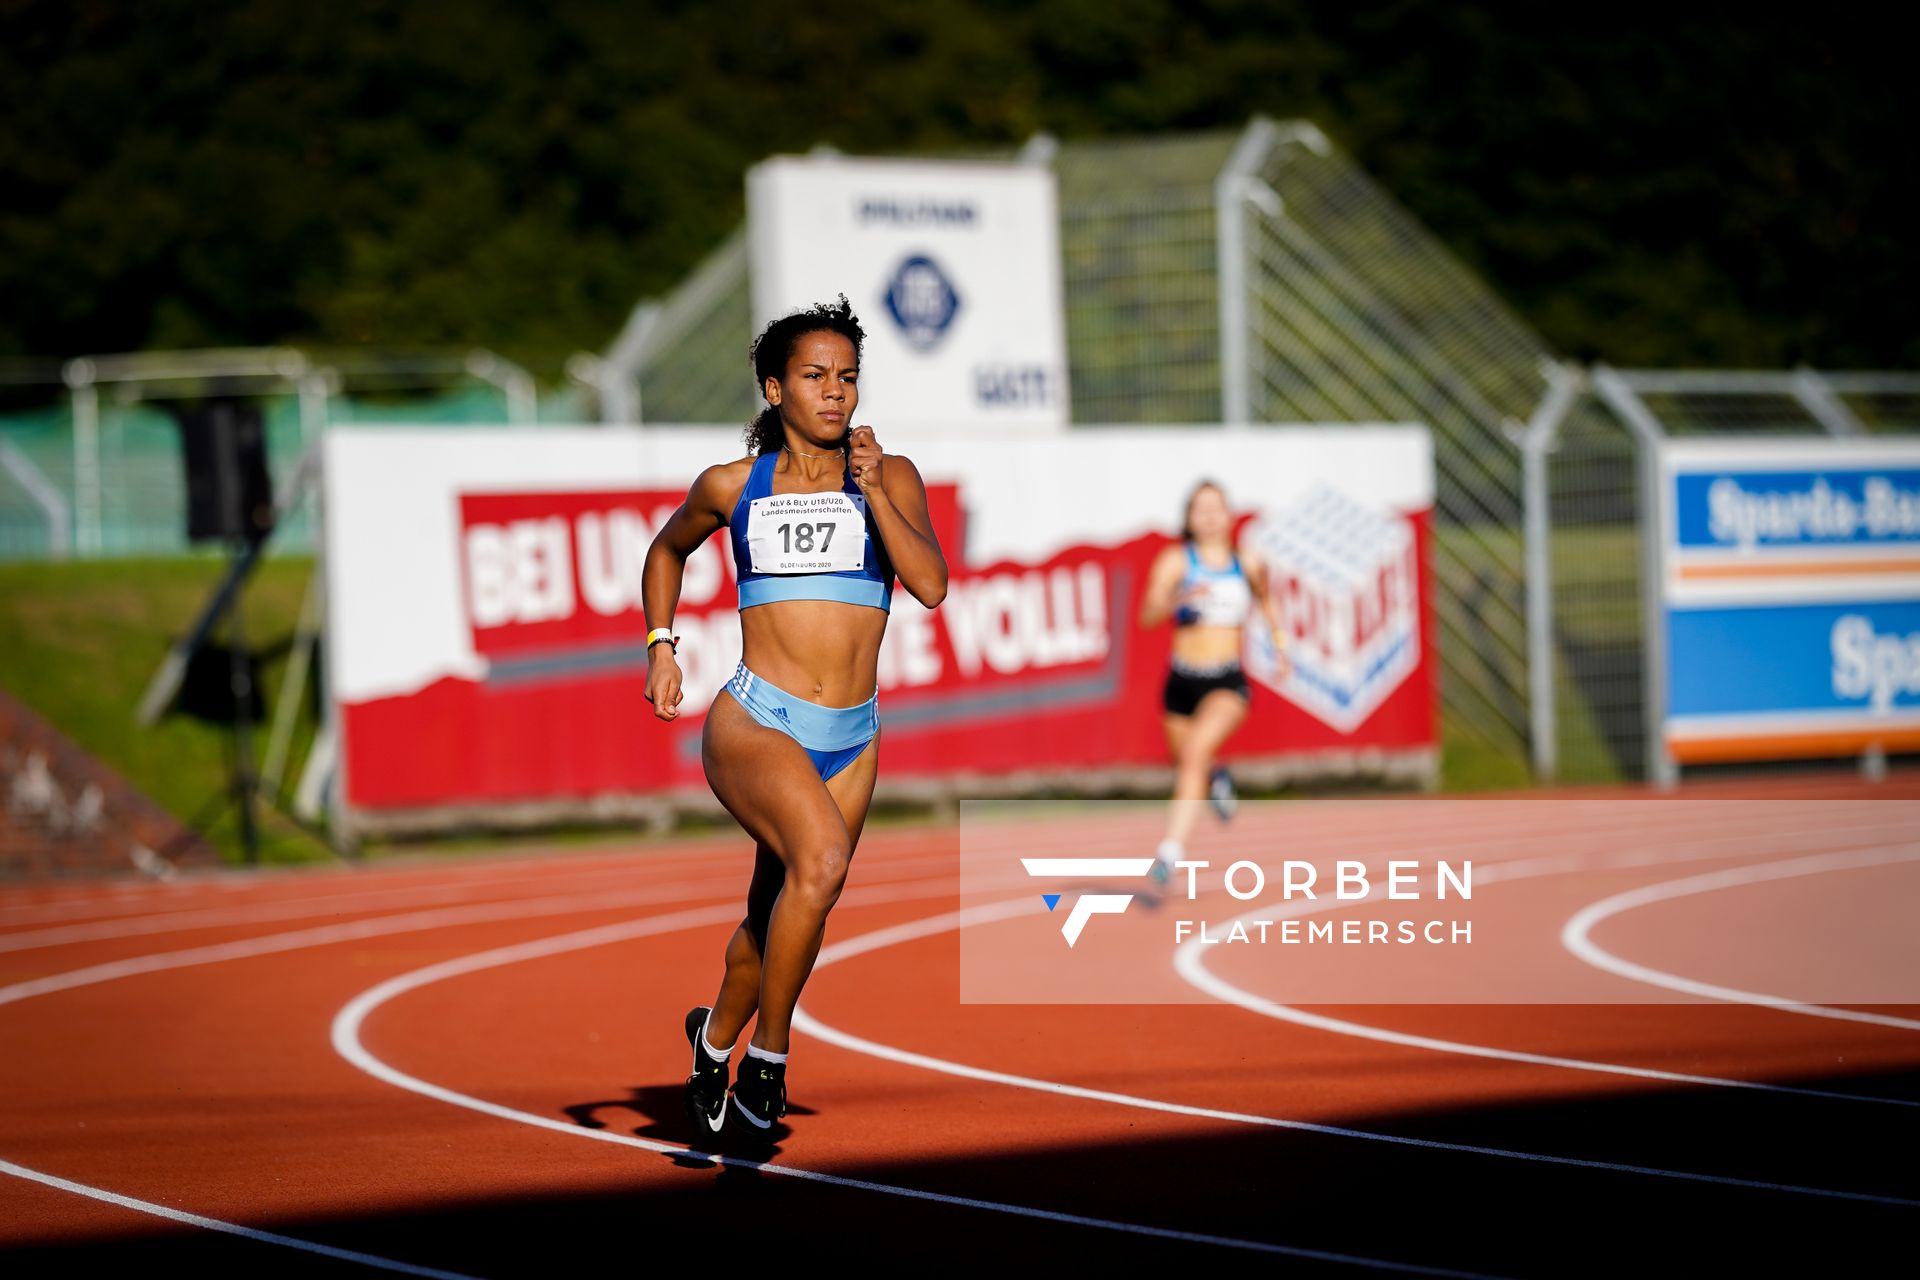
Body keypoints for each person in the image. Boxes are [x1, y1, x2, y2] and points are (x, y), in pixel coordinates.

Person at [641, 296, 947, 1142]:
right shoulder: (733, 486)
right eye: (815, 377)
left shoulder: (894, 476)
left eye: (848, 378)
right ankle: (767, 1063)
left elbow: (930, 584)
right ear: (775, 389)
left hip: (852, 736)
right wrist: (662, 643)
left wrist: (876, 491)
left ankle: (713, 1043)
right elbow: (667, 549)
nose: (835, 393)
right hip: (756, 719)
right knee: (821, 862)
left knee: (773, 915)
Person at [1137, 480, 1287, 887]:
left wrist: (1280, 649)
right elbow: (1147, 617)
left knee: (1194, 755)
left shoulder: (1248, 562)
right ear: (1188, 517)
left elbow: (1269, 604)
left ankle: (1170, 851)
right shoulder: (1175, 562)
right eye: (1199, 508)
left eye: (1215, 507)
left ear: (1229, 515)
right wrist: (1176, 600)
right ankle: (1218, 777)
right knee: (1189, 763)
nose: (1208, 515)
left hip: (1226, 680)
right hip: (1181, 682)